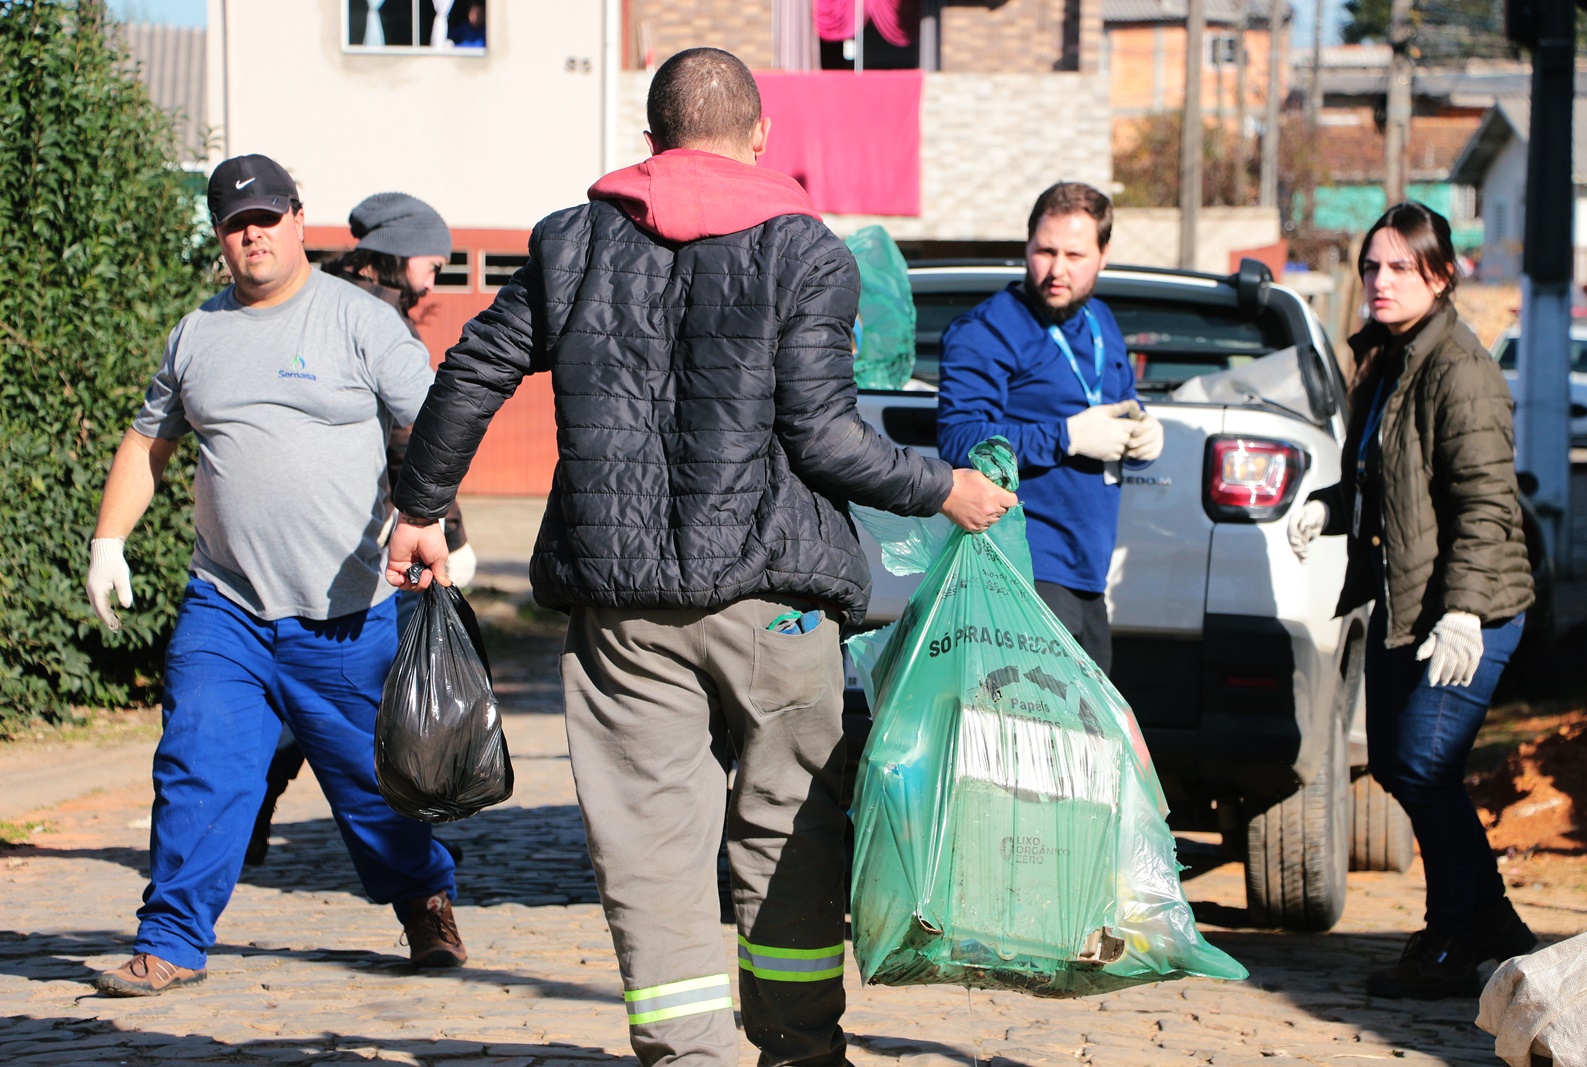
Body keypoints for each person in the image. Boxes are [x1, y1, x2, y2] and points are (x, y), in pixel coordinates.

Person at [384, 47, 1016, 1067]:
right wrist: (941, 485)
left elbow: (472, 367)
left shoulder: (571, 242)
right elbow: (824, 437)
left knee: (649, 843)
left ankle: (689, 1054)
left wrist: (420, 508)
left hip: (622, 607)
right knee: (790, 826)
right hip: (778, 604)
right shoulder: (806, 252)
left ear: (650, 140)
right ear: (761, 135)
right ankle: (799, 1047)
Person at [83, 154, 468, 997]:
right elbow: (150, 443)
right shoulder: (198, 335)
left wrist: (434, 518)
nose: (251, 232)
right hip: (226, 607)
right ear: (220, 236)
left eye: (266, 216)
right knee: (199, 767)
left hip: (346, 617)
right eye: (234, 221)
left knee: (375, 794)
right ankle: (172, 940)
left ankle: (424, 895)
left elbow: (437, 420)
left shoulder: (358, 322)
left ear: (300, 220)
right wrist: (109, 540)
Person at [1285, 201, 1537, 998]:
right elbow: (1384, 473)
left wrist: (1464, 611)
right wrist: (1332, 503)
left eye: (1400, 267)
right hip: (1409, 600)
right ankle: (1497, 925)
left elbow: (1486, 504)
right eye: (1371, 266)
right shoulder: (1390, 356)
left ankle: (1453, 939)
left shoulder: (1460, 368)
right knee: (1396, 764)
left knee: (1426, 766)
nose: (1379, 281)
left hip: (1472, 603)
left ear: (1440, 274)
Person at [243, 191, 476, 869]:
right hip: (365, 534)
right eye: (434, 259)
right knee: (386, 694)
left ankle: (251, 812)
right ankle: (408, 847)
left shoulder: (310, 300)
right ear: (401, 254)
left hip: (292, 525)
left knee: (312, 687)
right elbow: (415, 440)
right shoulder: (378, 321)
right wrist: (448, 532)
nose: (438, 272)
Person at [936, 182, 1163, 671]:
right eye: (1045, 251)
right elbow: (958, 437)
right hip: (1023, 567)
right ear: (1027, 246)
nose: (1057, 270)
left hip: (1088, 571)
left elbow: (1118, 401)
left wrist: (1141, 429)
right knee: (1033, 738)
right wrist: (1067, 436)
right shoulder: (988, 329)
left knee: (1086, 742)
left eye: (1075, 254)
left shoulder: (1100, 319)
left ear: (1103, 255)